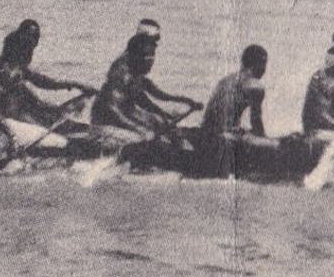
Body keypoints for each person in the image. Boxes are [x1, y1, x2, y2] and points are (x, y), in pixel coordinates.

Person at [90, 20, 201, 144]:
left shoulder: (136, 70)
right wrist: (138, 128)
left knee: (160, 123)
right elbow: (112, 109)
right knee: (148, 133)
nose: (151, 61)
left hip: (126, 112)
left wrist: (186, 102)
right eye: (148, 56)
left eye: (152, 56)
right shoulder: (122, 73)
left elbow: (154, 95)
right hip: (108, 120)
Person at [0, 19, 96, 131]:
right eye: (31, 38)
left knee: (60, 116)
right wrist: (2, 124)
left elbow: (45, 82)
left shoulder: (19, 67)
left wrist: (77, 85)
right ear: (20, 39)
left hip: (26, 111)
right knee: (59, 121)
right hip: (15, 116)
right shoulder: (6, 69)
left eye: (36, 38)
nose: (34, 43)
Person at [194, 44, 270, 178]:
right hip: (224, 140)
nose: (265, 69)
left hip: (206, 135)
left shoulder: (226, 80)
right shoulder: (255, 85)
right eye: (264, 64)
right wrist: (266, 142)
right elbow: (256, 122)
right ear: (257, 64)